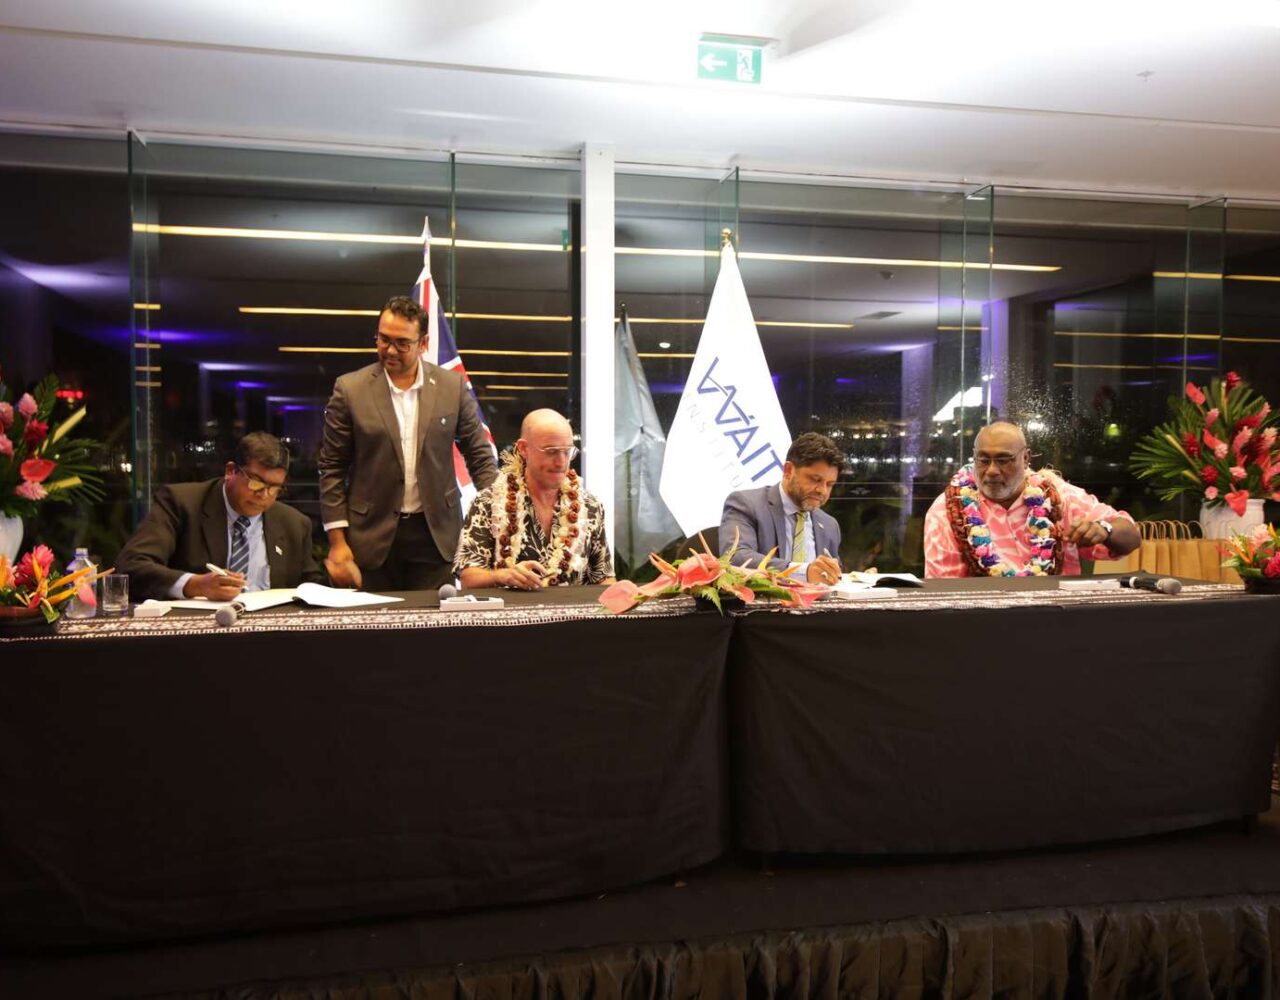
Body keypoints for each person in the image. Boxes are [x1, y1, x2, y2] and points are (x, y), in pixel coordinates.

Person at [318, 295, 497, 591]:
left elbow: (479, 456)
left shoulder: (451, 387)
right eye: (383, 339)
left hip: (436, 535)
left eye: (402, 343)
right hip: (371, 537)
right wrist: (337, 543)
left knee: (433, 619)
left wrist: (498, 520)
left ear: (423, 343)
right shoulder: (350, 390)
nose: (390, 350)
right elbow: (332, 468)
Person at [117, 431, 324, 602]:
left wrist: (335, 581)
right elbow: (132, 566)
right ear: (231, 471)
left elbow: (310, 587)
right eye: (256, 483)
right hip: (198, 630)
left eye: (274, 488)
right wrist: (195, 585)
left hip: (269, 630)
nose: (264, 495)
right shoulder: (181, 504)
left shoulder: (294, 523)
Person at [923, 421, 1140, 577]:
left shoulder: (1059, 496)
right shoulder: (947, 511)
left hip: (1059, 616)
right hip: (985, 620)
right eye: (983, 460)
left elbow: (1131, 536)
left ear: (1026, 458)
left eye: (1003, 460)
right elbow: (945, 591)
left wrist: (1104, 530)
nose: (992, 470)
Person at [455, 409, 615, 589]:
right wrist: (502, 576)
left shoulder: (589, 506)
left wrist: (628, 594)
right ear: (523, 449)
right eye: (551, 451)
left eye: (567, 452)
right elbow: (468, 578)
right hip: (510, 608)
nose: (561, 462)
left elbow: (603, 579)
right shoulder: (487, 503)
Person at [718, 432, 844, 585]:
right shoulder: (746, 504)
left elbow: (832, 574)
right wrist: (803, 572)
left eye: (829, 484)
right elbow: (735, 557)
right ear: (788, 471)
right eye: (815, 479)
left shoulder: (830, 525)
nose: (822, 490)